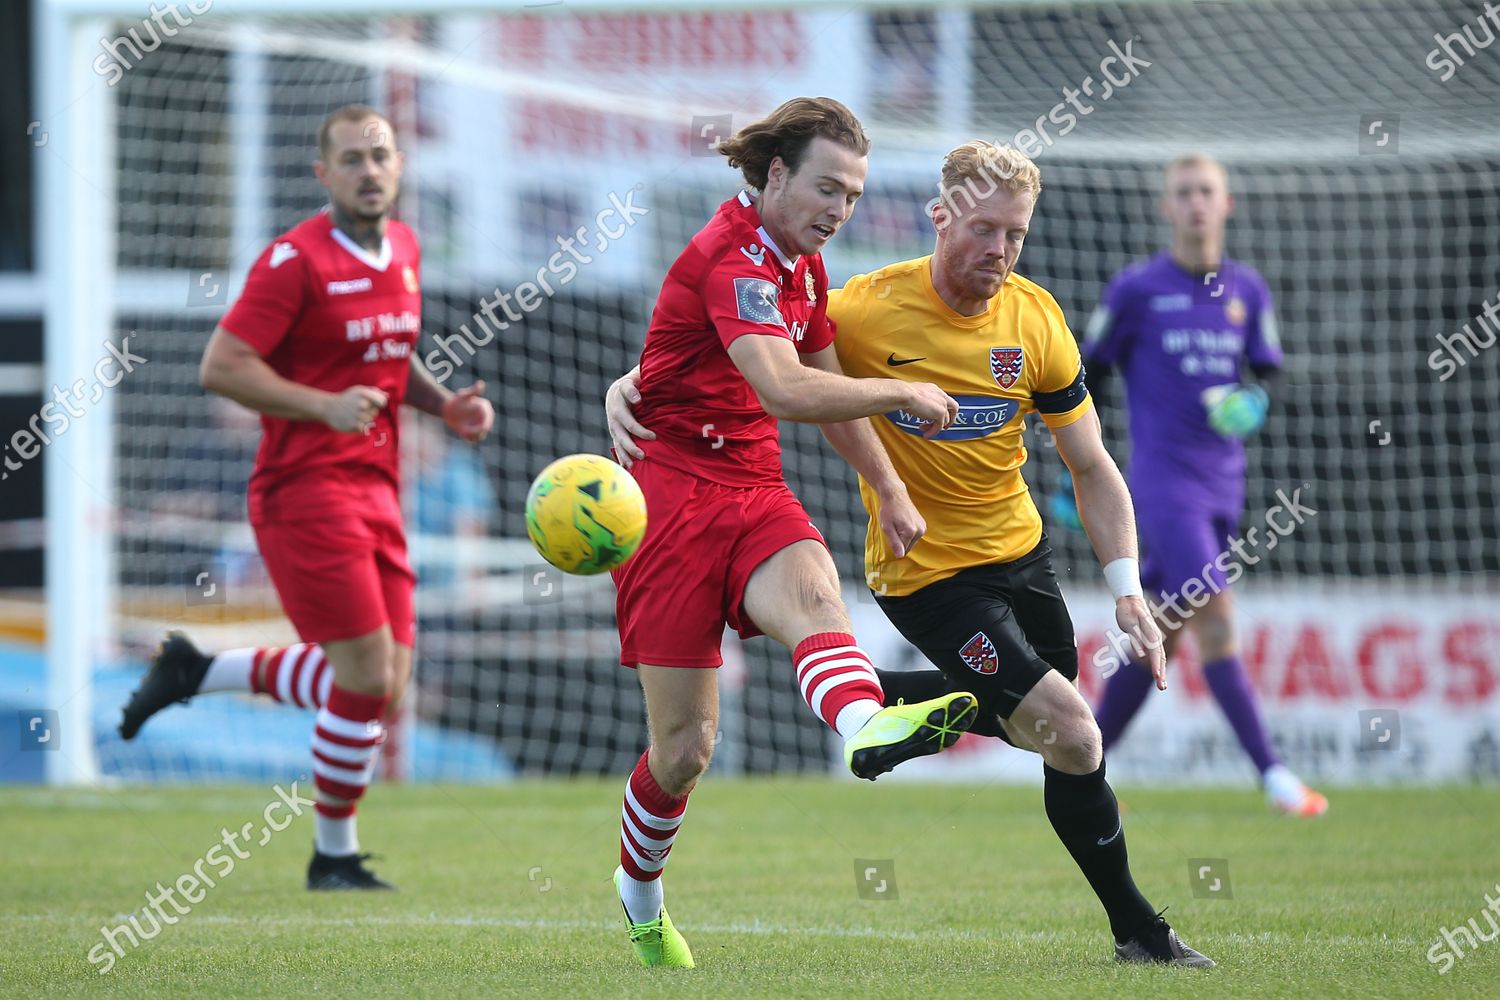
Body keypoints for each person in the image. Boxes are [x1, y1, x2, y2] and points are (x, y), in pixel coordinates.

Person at [610, 140, 1214, 967]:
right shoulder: (864, 307)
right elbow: (743, 356)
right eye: (983, 229)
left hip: (1022, 556)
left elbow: (1092, 467)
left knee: (1054, 733)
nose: (999, 250)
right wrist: (633, 381)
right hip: (927, 573)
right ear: (939, 216)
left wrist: (1128, 591)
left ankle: (878, 698)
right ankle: (1140, 933)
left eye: (1016, 234)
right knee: (1073, 731)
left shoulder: (1035, 320)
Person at [600, 97, 979, 969]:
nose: (839, 209)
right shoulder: (730, 257)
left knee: (815, 594)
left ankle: (864, 728)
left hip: (752, 486)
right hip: (667, 503)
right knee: (686, 751)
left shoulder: (801, 266)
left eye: (851, 194)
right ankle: (640, 894)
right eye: (826, 188)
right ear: (774, 175)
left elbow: (822, 370)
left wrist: (886, 485)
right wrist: (903, 394)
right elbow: (784, 388)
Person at [118, 104, 496, 889]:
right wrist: (319, 405)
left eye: (380, 156)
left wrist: (443, 405)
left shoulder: (406, 248)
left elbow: (392, 355)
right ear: (323, 174)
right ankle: (332, 855)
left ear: (399, 167)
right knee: (363, 676)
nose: (368, 170)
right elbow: (222, 366)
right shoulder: (294, 260)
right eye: (351, 159)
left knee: (385, 680)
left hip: (377, 487)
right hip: (304, 492)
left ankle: (197, 671)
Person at [1080, 153, 1327, 818]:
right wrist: (1077, 468)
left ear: (1227, 204)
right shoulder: (1136, 289)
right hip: (1161, 485)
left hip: (1224, 485)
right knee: (1215, 615)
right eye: (1183, 192)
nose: (1195, 203)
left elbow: (1268, 372)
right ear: (1166, 207)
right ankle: (1274, 777)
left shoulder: (1247, 290)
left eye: (1206, 192)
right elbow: (1086, 374)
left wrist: (1252, 399)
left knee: (1166, 626)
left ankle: (1083, 769)